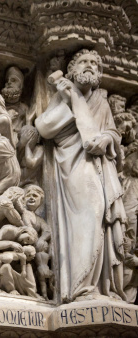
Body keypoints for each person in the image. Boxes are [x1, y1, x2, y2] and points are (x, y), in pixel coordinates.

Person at [35, 49, 127, 301]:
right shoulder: (63, 95)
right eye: (84, 62)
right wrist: (69, 100)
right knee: (91, 212)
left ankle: (98, 286)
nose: (89, 67)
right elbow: (43, 127)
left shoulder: (101, 102)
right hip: (72, 166)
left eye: (94, 64)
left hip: (99, 167)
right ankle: (80, 287)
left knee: (101, 218)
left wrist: (107, 138)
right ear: (72, 69)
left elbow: (112, 132)